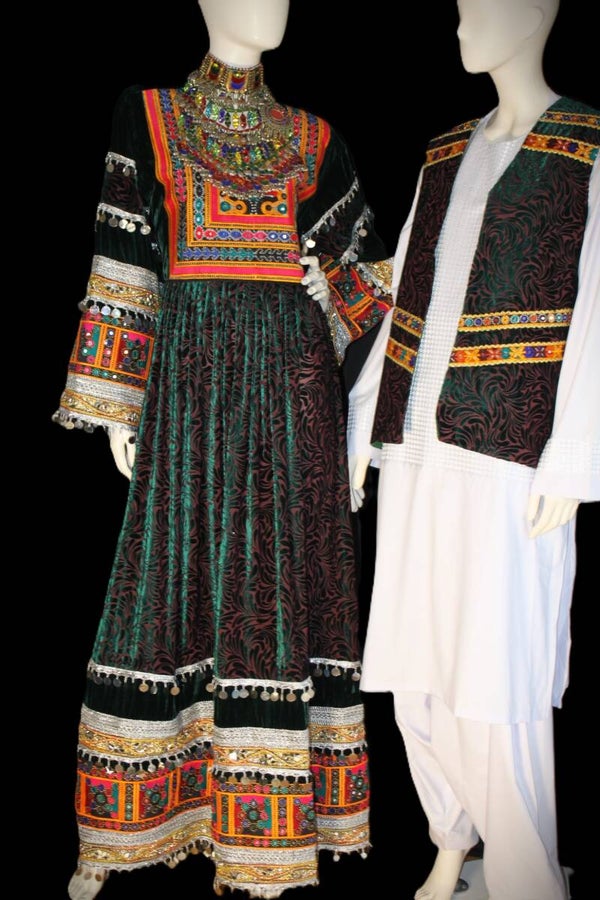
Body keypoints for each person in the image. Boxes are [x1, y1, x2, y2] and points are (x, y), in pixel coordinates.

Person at [53, 1, 394, 897]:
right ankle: (126, 829)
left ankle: (268, 838)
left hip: (295, 396)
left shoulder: (315, 137)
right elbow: (125, 253)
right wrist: (117, 401)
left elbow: (364, 281)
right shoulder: (150, 115)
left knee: (279, 590)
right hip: (191, 391)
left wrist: (341, 292)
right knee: (165, 582)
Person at [347, 1, 599, 898]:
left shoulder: (588, 144)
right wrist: (363, 427)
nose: (462, 22)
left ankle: (527, 871)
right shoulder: (445, 149)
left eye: (481, 4)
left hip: (510, 452)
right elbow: (407, 289)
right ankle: (450, 840)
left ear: (536, 12)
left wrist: (574, 455)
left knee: (497, 667)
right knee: (414, 664)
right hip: (417, 442)